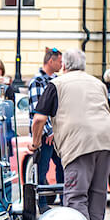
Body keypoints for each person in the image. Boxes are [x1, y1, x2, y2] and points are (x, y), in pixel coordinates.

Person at [31, 49, 110, 220]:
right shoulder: (98, 83)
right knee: (98, 192)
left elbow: (39, 119)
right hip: (106, 140)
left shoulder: (56, 84)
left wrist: (35, 143)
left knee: (76, 195)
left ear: (64, 66)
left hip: (79, 143)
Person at [26, 49, 63, 208]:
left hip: (56, 134)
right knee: (42, 169)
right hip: (43, 134)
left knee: (62, 166)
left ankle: (64, 200)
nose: (61, 65)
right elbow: (38, 110)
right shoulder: (38, 81)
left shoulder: (57, 80)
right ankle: (41, 203)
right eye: (59, 62)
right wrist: (49, 131)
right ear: (51, 61)